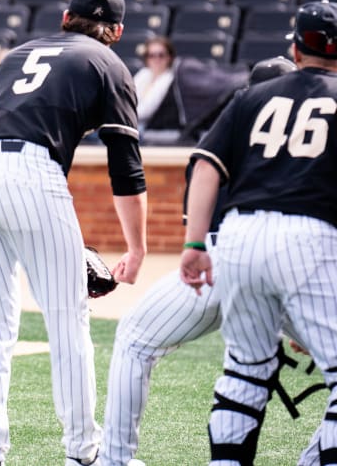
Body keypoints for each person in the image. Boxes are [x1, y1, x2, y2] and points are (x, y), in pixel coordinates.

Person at [0, 0, 148, 466]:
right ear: (117, 30)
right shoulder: (108, 63)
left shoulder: (17, 54)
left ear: (65, 18)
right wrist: (137, 247)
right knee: (67, 320)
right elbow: (125, 166)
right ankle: (84, 452)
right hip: (31, 171)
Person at [100, 57, 316, 466]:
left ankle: (113, 459)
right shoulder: (317, 137)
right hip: (293, 270)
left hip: (219, 260)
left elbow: (202, 187)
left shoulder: (229, 127)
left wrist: (191, 248)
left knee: (134, 340)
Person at [179, 0, 337, 465]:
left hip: (239, 235)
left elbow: (206, 164)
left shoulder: (253, 95)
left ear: (295, 45)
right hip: (311, 235)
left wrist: (193, 242)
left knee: (245, 372)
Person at [133, 36, 175, 132]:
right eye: (151, 55)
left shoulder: (169, 78)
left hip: (148, 128)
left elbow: (146, 111)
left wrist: (122, 116)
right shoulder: (144, 73)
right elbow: (126, 99)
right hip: (132, 121)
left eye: (161, 55)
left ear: (169, 57)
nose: (156, 59)